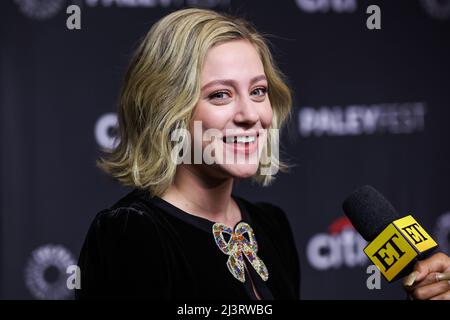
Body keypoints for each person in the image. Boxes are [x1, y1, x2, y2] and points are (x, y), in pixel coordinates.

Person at [76, 8, 450, 300]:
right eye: (220, 94)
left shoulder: (270, 225)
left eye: (258, 91)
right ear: (166, 110)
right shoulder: (130, 233)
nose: (250, 115)